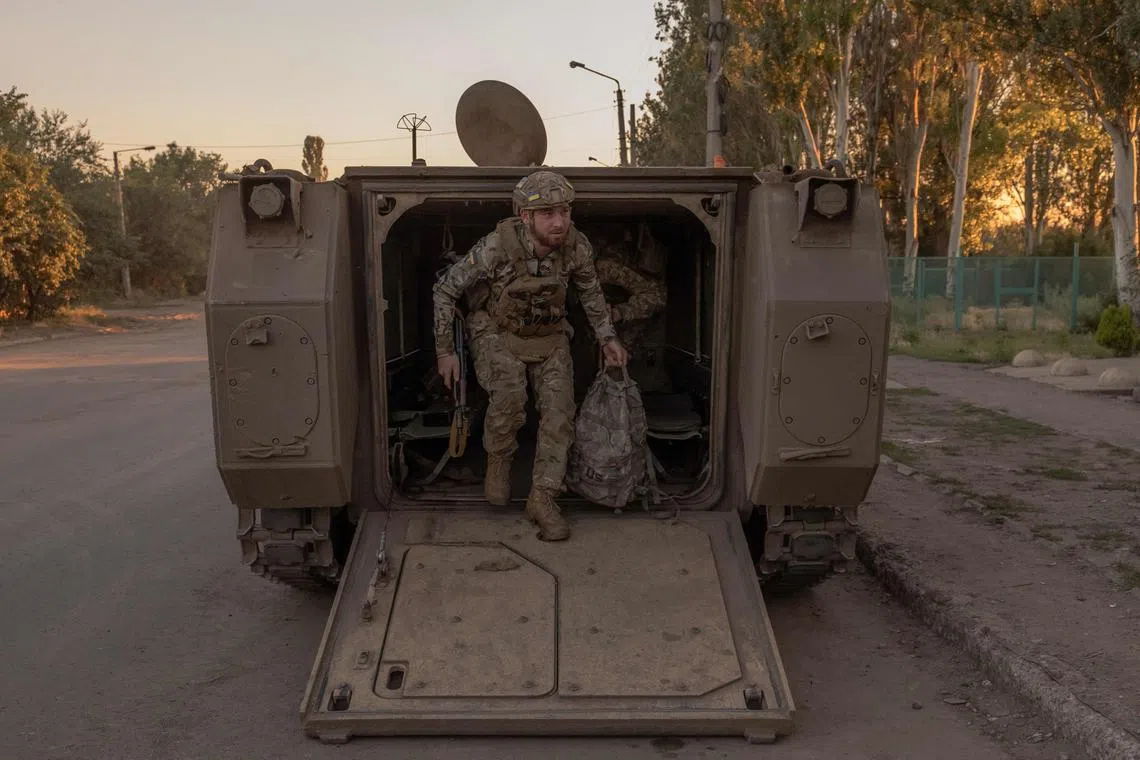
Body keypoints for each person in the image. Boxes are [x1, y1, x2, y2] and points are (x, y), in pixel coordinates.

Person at [432, 169, 629, 541]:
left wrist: (608, 338)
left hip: (549, 333)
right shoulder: (497, 247)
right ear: (526, 217)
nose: (559, 222)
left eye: (565, 212)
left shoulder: (576, 246)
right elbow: (445, 290)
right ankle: (499, 459)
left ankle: (543, 497)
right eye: (548, 214)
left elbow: (590, 294)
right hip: (497, 331)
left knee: (559, 414)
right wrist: (445, 352)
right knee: (510, 399)